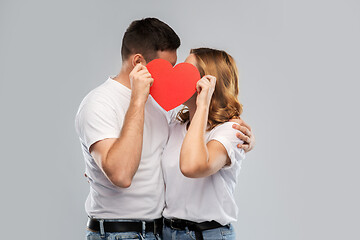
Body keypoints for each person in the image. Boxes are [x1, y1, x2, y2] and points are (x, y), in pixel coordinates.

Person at [75, 18, 255, 240]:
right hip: (124, 233)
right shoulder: (101, 103)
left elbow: (180, 162)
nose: (173, 78)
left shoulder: (164, 111)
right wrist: (96, 168)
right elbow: (121, 172)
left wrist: (246, 141)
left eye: (182, 71)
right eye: (171, 69)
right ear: (138, 62)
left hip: (166, 232)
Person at [162, 48, 248, 240]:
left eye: (187, 72)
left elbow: (193, 166)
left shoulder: (231, 131)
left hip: (207, 234)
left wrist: (203, 105)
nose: (177, 78)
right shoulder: (174, 126)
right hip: (167, 232)